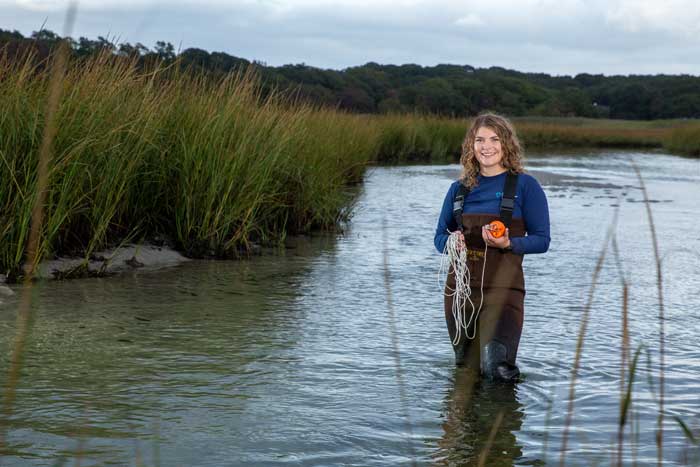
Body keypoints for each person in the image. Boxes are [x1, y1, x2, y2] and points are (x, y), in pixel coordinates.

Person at [434, 112, 550, 382]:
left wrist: (509, 242)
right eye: (480, 140)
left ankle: (502, 422)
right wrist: (452, 243)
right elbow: (439, 236)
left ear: (506, 144)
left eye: (494, 139)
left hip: (504, 291)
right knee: (467, 371)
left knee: (498, 371)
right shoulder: (458, 189)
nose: (487, 146)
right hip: (460, 293)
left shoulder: (526, 186)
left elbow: (542, 240)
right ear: (471, 147)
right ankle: (466, 425)